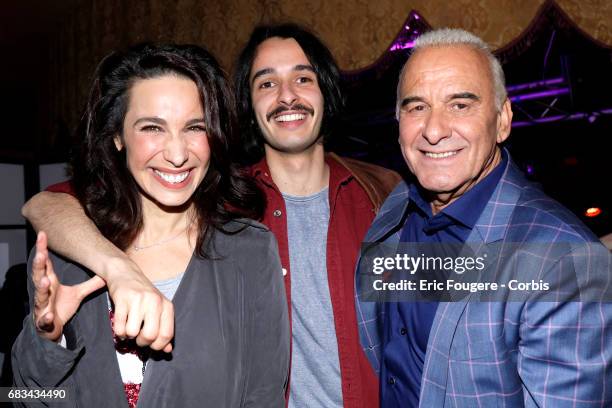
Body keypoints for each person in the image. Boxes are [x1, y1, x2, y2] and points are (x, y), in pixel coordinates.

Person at [22, 24, 400, 407]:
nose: (287, 96)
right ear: (246, 105)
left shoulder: (385, 197)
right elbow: (46, 204)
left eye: (303, 78)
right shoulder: (232, 201)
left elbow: (435, 308)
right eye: (266, 83)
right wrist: (109, 275)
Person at [13, 43, 289, 407]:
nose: (177, 154)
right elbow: (19, 397)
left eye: (195, 127)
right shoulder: (66, 257)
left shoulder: (249, 251)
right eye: (152, 128)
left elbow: (264, 397)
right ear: (117, 137)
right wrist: (48, 340)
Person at [356, 28, 612, 407]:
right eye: (416, 107)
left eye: (460, 105)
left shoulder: (564, 260)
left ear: (503, 120)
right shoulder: (394, 209)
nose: (434, 129)